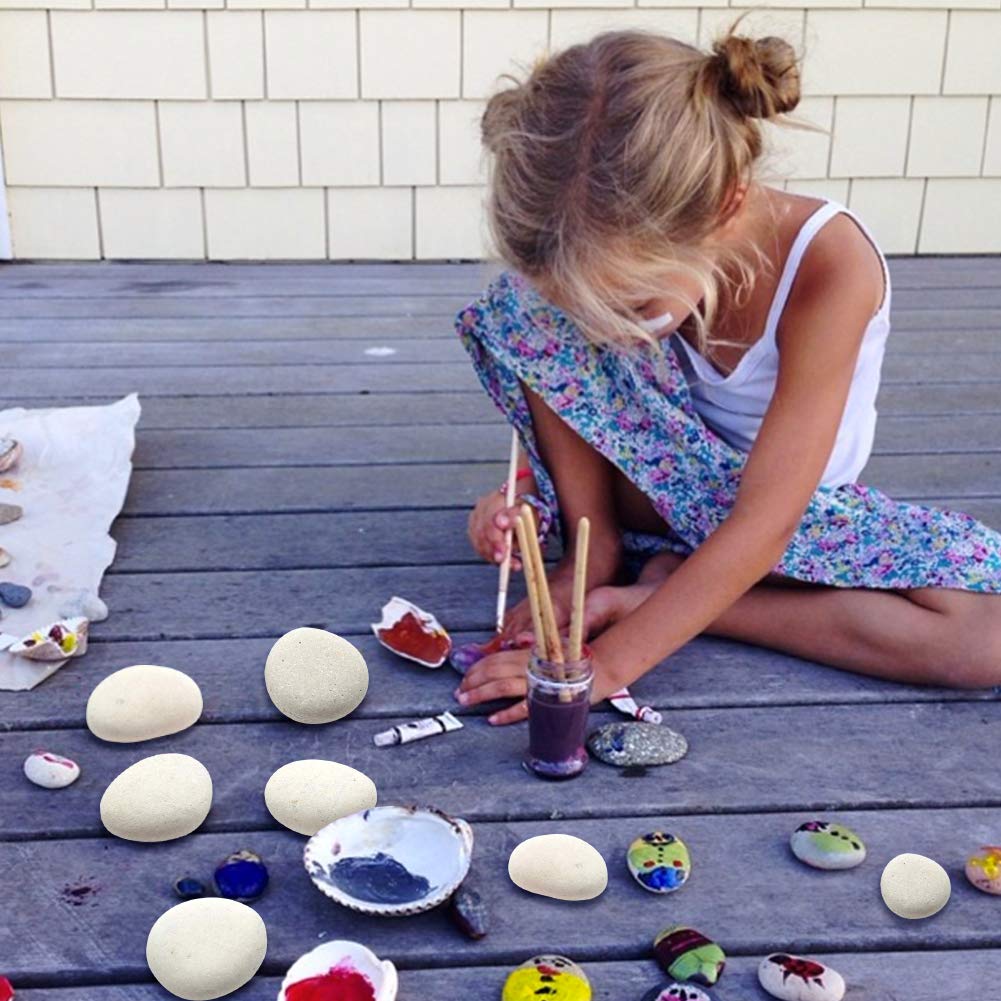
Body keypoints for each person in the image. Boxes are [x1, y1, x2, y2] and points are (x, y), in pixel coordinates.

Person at [455, 21, 1001, 725]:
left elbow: (763, 524)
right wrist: (571, 553)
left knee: (983, 638)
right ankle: (600, 554)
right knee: (524, 309)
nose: (600, 333)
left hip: (785, 515)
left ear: (725, 207)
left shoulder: (828, 266)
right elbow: (601, 392)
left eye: (631, 305)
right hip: (650, 491)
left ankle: (673, 597)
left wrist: (612, 658)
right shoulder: (612, 272)